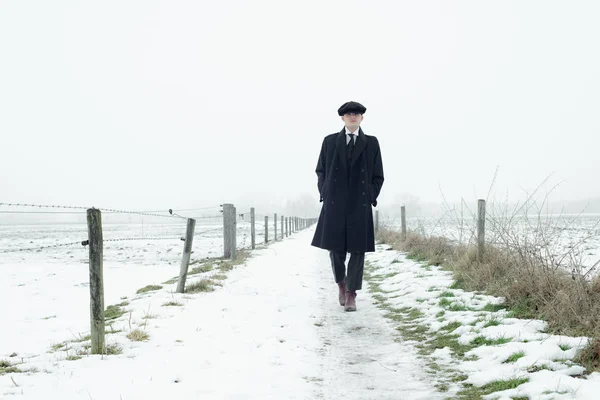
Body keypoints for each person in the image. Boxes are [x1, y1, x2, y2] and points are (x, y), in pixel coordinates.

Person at [311, 101, 384, 312]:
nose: (353, 116)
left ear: (362, 118)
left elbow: (378, 175)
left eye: (357, 114)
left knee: (358, 250)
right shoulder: (330, 141)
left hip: (359, 204)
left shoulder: (371, 143)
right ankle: (341, 284)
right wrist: (325, 191)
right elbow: (320, 170)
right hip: (335, 203)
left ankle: (352, 293)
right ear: (342, 118)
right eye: (349, 114)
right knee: (335, 249)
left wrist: (370, 195)